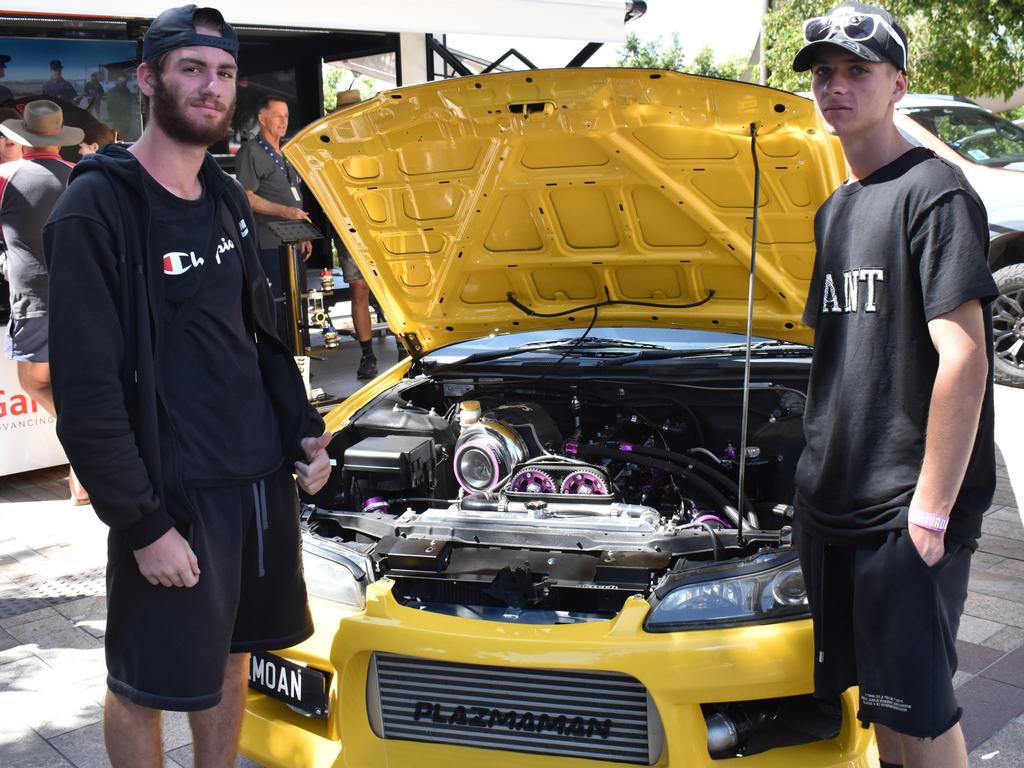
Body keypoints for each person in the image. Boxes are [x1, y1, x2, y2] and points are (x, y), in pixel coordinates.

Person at [43, 6, 332, 766]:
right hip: (177, 497)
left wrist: (302, 426)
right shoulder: (96, 208)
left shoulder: (226, 197)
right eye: (191, 69)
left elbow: (259, 339)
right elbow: (87, 392)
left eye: (225, 73)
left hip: (256, 483)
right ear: (148, 79)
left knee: (235, 657)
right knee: (143, 685)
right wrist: (142, 525)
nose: (212, 87)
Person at [791, 5, 997, 768]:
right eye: (823, 74)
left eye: (857, 71)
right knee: (880, 714)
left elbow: (966, 359)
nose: (835, 87)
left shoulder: (935, 193)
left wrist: (933, 514)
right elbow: (843, 357)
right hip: (835, 506)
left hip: (905, 512)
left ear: (898, 84)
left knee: (922, 710)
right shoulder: (834, 211)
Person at [0, 100, 86, 502]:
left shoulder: (6, 178)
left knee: (33, 382)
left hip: (33, 298)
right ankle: (83, 464)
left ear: (21, 138)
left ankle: (84, 453)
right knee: (72, 382)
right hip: (81, 297)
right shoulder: (81, 176)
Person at [234, 94, 311, 303]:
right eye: (278, 116)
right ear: (262, 118)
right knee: (279, 307)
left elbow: (292, 194)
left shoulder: (286, 151)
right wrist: (285, 212)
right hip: (269, 244)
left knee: (299, 304)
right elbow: (246, 197)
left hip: (293, 242)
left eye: (286, 116)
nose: (284, 121)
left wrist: (302, 231)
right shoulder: (251, 151)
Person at [332, 89, 377, 377]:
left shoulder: (375, 141)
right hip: (349, 226)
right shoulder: (331, 146)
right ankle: (368, 355)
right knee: (359, 289)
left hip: (379, 225)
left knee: (390, 292)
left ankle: (403, 349)